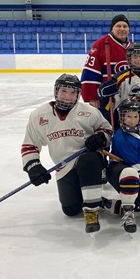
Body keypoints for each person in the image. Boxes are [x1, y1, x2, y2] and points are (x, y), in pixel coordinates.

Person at [21, 74, 113, 233]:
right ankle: (96, 198)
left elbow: (107, 130)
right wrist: (33, 166)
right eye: (64, 91)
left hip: (88, 159)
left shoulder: (90, 112)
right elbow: (30, 145)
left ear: (78, 94)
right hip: (64, 166)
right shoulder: (39, 115)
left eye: (72, 92)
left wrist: (101, 137)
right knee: (71, 209)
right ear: (56, 91)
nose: (68, 96)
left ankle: (92, 211)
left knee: (89, 160)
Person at [105, 99, 140, 234]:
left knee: (139, 206)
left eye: (135, 116)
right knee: (137, 202)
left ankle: (110, 204)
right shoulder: (121, 138)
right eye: (128, 116)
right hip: (119, 172)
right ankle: (103, 204)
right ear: (122, 117)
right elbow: (133, 166)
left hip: (133, 171)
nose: (132, 120)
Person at [81, 14, 131, 117]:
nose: (122, 29)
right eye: (118, 26)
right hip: (107, 99)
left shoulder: (133, 46)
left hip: (127, 97)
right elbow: (90, 72)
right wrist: (92, 97)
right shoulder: (100, 44)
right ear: (112, 28)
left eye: (125, 26)